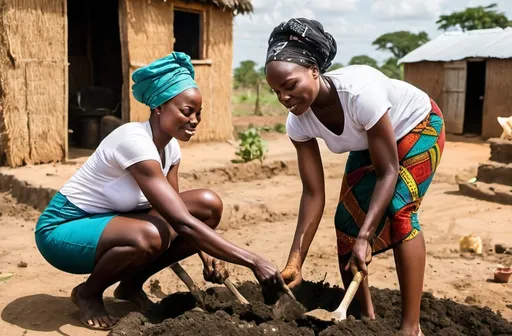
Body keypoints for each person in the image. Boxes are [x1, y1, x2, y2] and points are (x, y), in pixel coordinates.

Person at [35, 52, 280, 331]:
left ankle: (130, 285)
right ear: (159, 107)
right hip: (62, 230)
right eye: (186, 111)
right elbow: (180, 221)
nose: (195, 120)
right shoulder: (133, 141)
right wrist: (253, 261)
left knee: (207, 205)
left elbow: (178, 211)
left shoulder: (170, 147)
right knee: (150, 235)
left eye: (198, 113)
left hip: (110, 224)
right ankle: (88, 293)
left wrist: (206, 253)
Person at [264, 18, 445, 336]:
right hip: (371, 139)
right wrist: (296, 260)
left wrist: (367, 238)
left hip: (418, 125)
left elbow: (388, 172)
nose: (284, 98)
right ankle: (363, 320)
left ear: (314, 70)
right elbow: (312, 194)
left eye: (290, 85)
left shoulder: (360, 94)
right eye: (277, 91)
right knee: (346, 222)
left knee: (400, 213)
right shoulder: (299, 123)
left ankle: (410, 328)